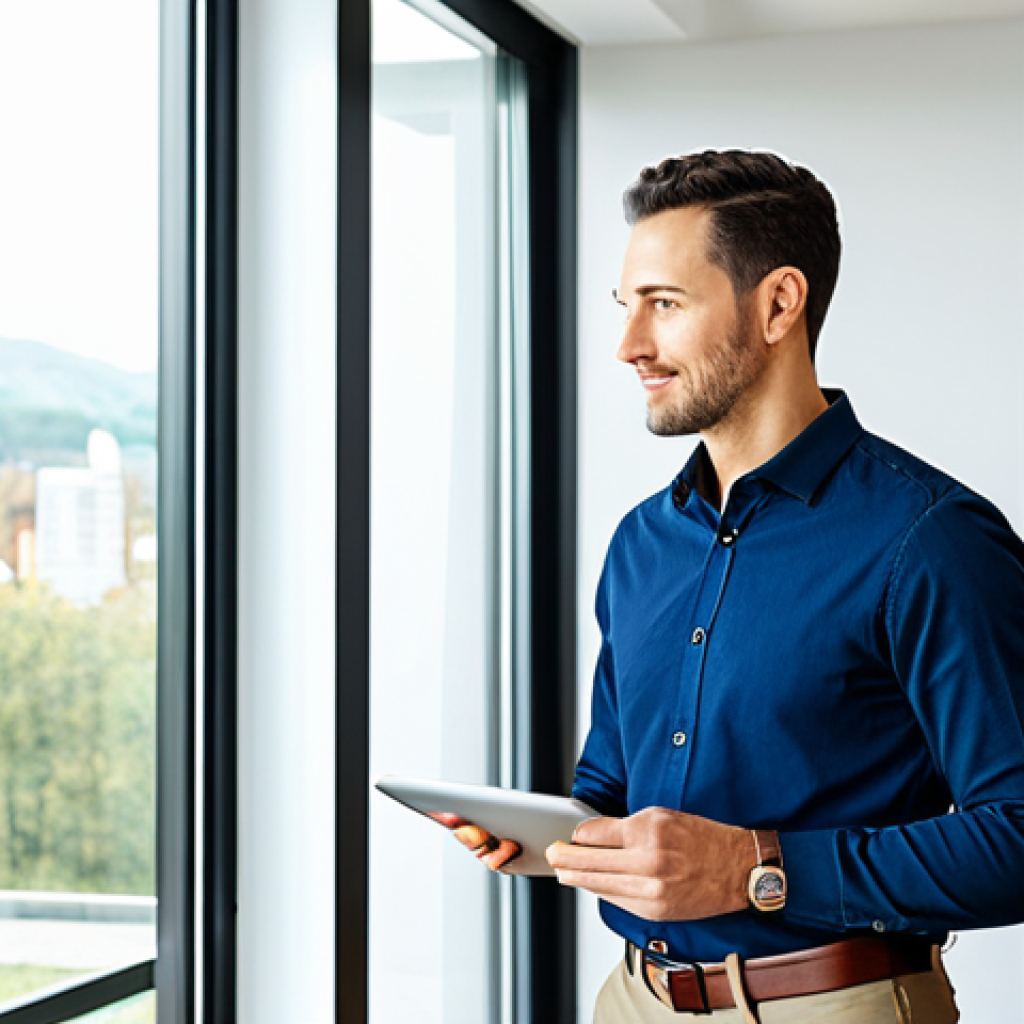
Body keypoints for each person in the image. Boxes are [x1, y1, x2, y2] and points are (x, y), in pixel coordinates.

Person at [441, 149, 1024, 1022]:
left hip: (835, 1004)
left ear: (778, 304)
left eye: (665, 305)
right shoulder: (643, 542)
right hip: (631, 998)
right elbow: (612, 782)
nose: (629, 345)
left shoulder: (929, 539)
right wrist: (555, 838)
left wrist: (758, 866)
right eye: (627, 305)